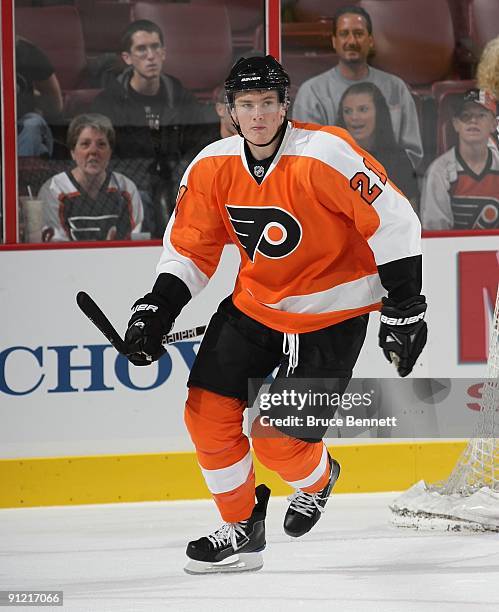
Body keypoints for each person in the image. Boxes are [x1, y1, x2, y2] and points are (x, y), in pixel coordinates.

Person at [123, 56, 427, 574]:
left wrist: (404, 307)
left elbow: (394, 221)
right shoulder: (212, 166)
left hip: (332, 315)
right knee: (206, 416)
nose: (258, 114)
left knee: (278, 442)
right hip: (255, 308)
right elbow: (191, 250)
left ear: (285, 105)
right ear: (231, 112)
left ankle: (318, 476)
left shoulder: (325, 153)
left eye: (268, 103)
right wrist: (155, 308)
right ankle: (243, 528)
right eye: (247, 105)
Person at [91, 19, 213, 237]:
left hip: (176, 184)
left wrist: (180, 179)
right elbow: (106, 157)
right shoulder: (108, 103)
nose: (150, 55)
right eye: (141, 49)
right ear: (127, 58)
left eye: (155, 47)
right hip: (129, 188)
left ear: (164, 53)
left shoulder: (180, 97)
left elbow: (199, 147)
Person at [292, 5, 423, 169]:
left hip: (389, 185)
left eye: (359, 34)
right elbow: (307, 157)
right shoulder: (312, 92)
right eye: (344, 34)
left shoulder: (396, 88)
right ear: (334, 41)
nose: (352, 41)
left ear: (370, 40)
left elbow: (412, 155)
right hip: (331, 186)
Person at [38, 113, 143, 242]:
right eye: (85, 144)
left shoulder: (126, 188)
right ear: (72, 152)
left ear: (110, 152)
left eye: (101, 144)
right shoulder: (54, 189)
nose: (93, 151)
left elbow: (136, 242)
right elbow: (55, 248)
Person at [420, 89, 499, 230]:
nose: (473, 121)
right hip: (452, 251)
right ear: (456, 124)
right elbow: (436, 236)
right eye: (466, 116)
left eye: (481, 115)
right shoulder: (439, 171)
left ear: (494, 124)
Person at [336, 82, 419, 205]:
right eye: (347, 111)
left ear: (379, 113)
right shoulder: (332, 157)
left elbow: (410, 216)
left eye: (362, 109)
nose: (354, 117)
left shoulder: (400, 161)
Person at [16, 36, 63, 158]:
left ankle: (23, 173)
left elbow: (55, 106)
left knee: (33, 123)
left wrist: (24, 98)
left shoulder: (26, 51)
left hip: (22, 126)